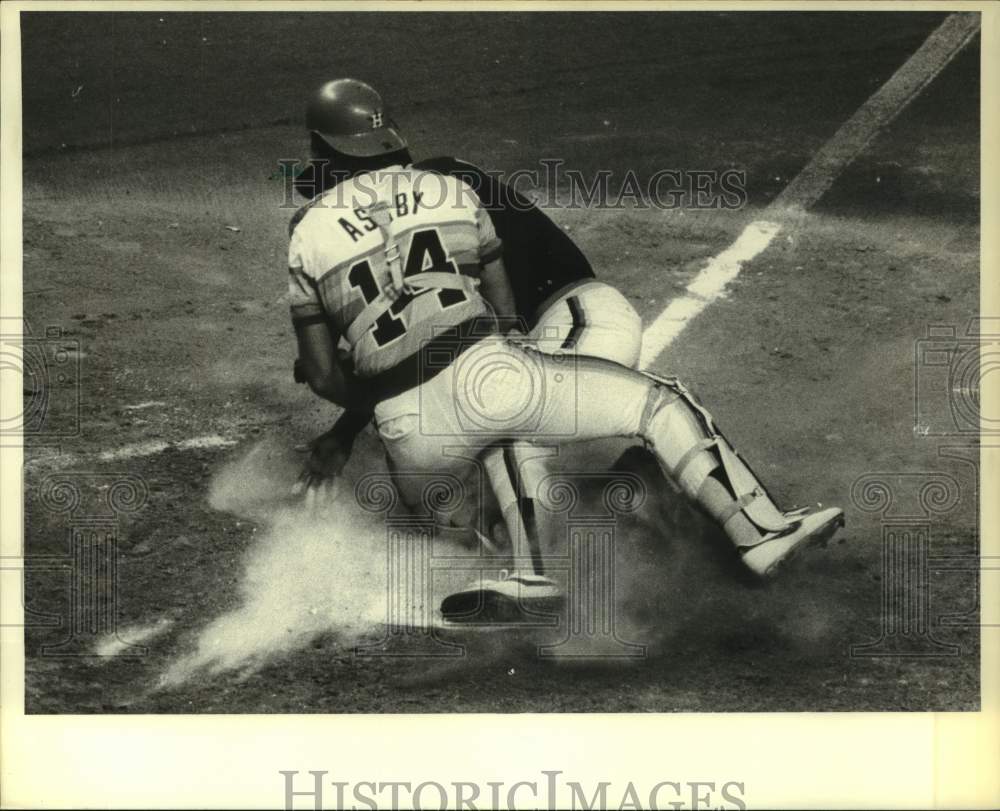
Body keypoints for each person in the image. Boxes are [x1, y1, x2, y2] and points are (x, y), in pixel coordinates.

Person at [287, 78, 844, 619]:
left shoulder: (315, 228)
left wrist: (346, 418)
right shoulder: (449, 191)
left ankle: (551, 554)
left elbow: (350, 365)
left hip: (572, 318)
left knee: (491, 461)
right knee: (549, 417)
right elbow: (486, 324)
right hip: (492, 369)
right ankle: (710, 519)